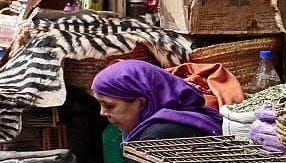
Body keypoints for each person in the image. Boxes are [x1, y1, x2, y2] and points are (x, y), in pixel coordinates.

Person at [90, 61, 224, 142]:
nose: (102, 112)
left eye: (109, 105)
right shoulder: (186, 115)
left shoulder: (158, 135)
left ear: (141, 102)